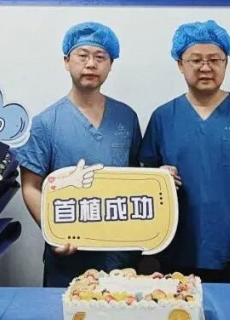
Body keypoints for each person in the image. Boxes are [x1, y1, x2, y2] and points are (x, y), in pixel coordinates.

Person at [15, 22, 143, 288]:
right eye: (82, 55)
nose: (91, 64)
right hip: (68, 256)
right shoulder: (46, 123)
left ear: (110, 64)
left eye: (100, 57)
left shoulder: (126, 117)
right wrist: (54, 232)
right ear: (66, 61)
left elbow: (135, 178)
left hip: (120, 253)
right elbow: (31, 186)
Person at [139, 20, 230, 283]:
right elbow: (144, 179)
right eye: (195, 60)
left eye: (214, 60)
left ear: (226, 63)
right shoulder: (163, 117)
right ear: (180, 64)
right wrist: (158, 176)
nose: (206, 67)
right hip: (175, 247)